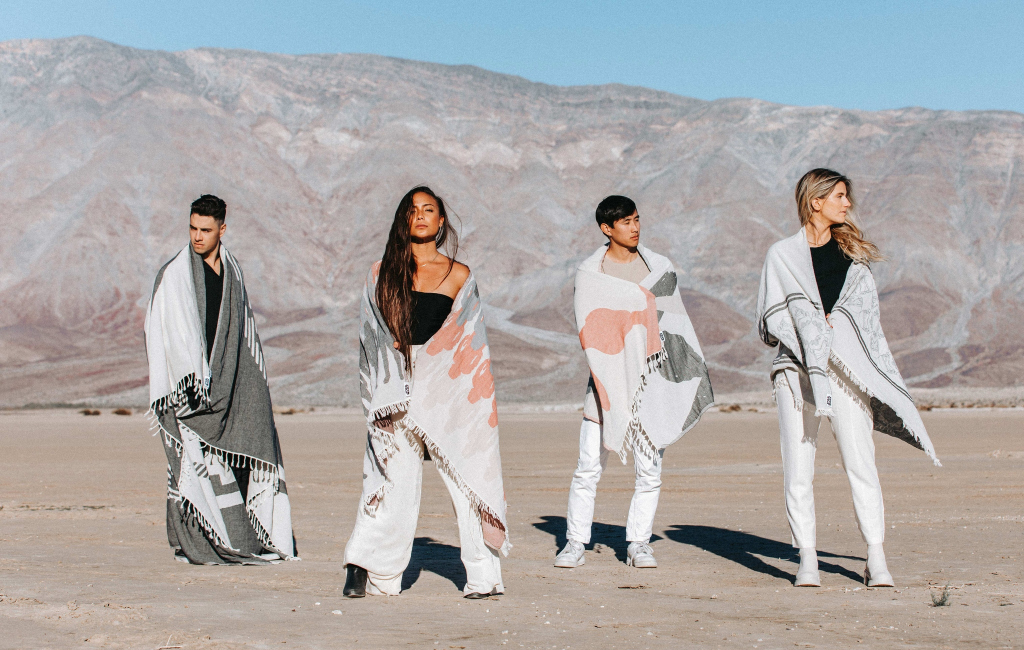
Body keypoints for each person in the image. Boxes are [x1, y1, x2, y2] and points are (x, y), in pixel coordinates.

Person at [755, 169, 940, 588]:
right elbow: (770, 320)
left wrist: (833, 324)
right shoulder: (781, 254)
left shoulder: (852, 258)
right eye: (840, 196)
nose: (848, 204)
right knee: (798, 468)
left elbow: (866, 320)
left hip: (846, 373)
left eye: (846, 196)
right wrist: (809, 326)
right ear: (815, 201)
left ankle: (876, 557)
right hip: (795, 373)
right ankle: (806, 559)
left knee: (861, 463)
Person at [343, 186, 510, 599]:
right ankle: (366, 567)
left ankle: (483, 576)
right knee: (389, 480)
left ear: (440, 222)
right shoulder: (381, 272)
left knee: (464, 478)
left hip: (449, 392)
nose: (420, 216)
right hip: (395, 393)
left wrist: (432, 364)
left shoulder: (459, 275)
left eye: (429, 210)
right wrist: (396, 358)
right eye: (412, 210)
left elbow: (469, 341)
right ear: (404, 221)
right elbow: (372, 333)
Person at [555, 195, 714, 570]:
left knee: (650, 468)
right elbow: (590, 329)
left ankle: (638, 543)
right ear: (606, 229)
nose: (635, 227)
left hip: (653, 382)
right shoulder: (591, 273)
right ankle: (575, 542)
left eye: (637, 219)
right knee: (589, 466)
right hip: (606, 382)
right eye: (625, 222)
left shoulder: (658, 268)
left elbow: (675, 322)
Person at [145, 194, 296, 564]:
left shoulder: (232, 271)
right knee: (190, 464)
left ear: (222, 229)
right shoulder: (174, 276)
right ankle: (193, 541)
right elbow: (158, 333)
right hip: (189, 392)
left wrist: (249, 385)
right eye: (193, 228)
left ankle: (244, 534)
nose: (197, 237)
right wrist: (185, 381)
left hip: (230, 385)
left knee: (246, 449)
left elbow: (242, 332)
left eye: (206, 230)